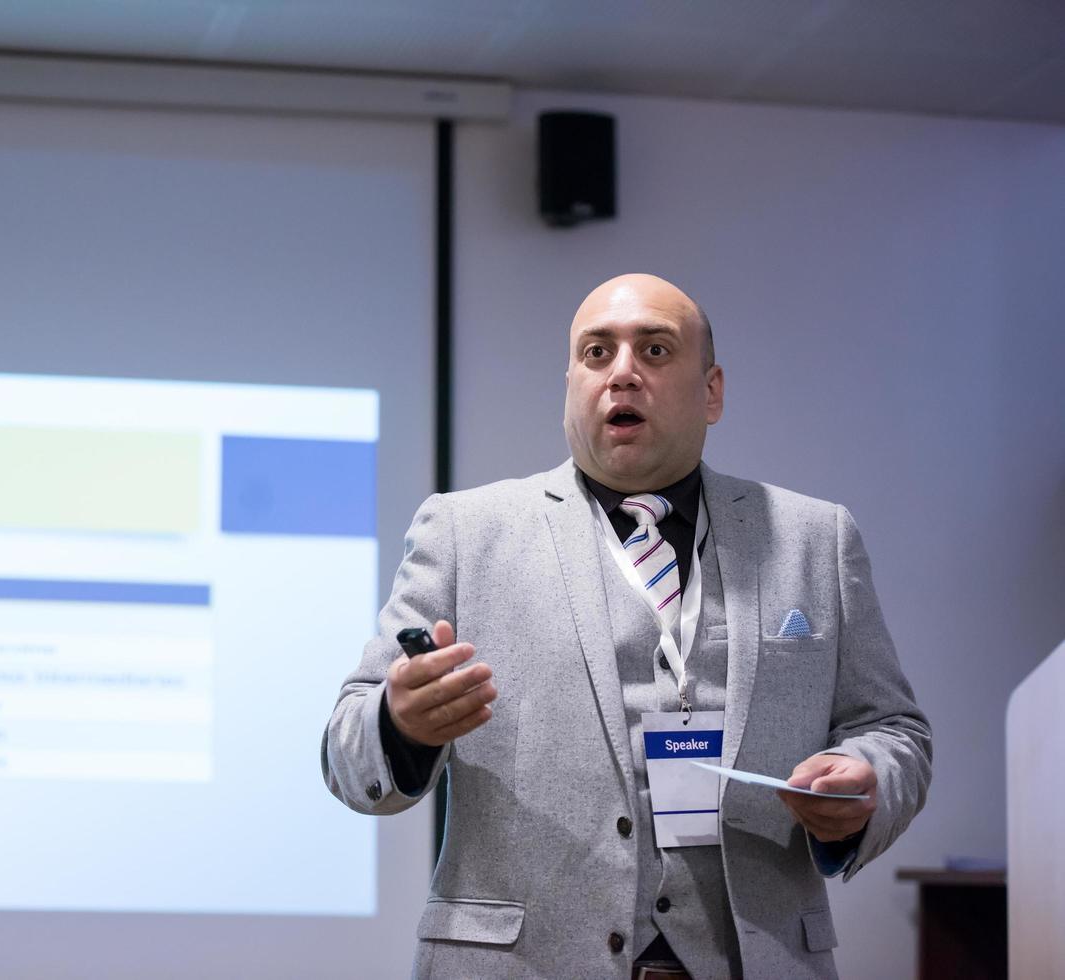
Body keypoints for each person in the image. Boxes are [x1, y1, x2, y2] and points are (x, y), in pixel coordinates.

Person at [320, 274, 931, 979]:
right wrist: (400, 724)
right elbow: (346, 752)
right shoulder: (464, 533)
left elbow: (893, 729)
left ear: (711, 391)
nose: (621, 374)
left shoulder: (812, 538)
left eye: (655, 349)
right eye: (595, 353)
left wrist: (866, 781)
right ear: (570, 387)